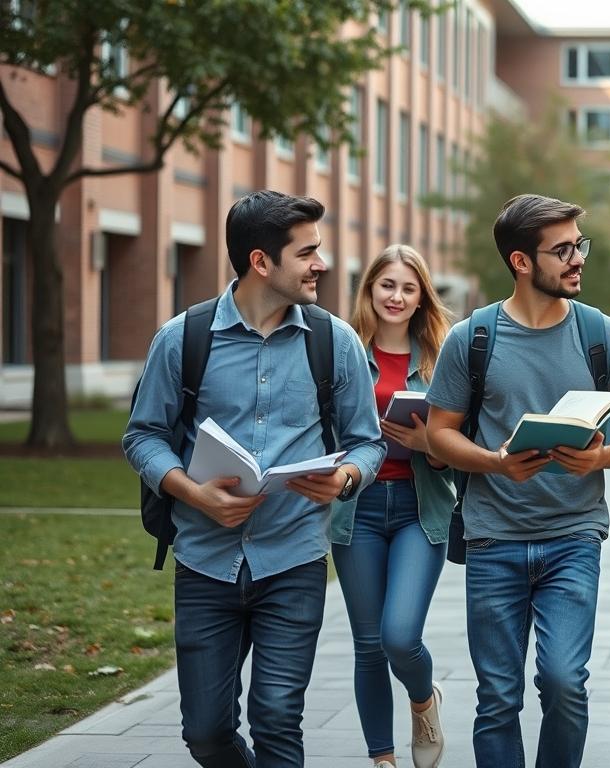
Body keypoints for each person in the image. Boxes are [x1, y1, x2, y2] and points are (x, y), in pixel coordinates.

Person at [123, 191, 385, 767]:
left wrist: (344, 477)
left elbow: (369, 442)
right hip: (205, 563)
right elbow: (141, 436)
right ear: (261, 262)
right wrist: (192, 493)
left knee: (276, 720)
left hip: (293, 560)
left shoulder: (333, 341)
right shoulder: (183, 338)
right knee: (207, 733)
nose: (321, 263)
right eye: (307, 253)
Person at [423, 194, 610, 768]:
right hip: (492, 538)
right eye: (563, 250)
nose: (578, 259)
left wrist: (600, 459)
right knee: (498, 697)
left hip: (573, 537)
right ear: (522, 262)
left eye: (580, 245)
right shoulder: (472, 338)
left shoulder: (603, 336)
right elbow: (438, 434)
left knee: (563, 684)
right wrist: (496, 461)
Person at [331, 245, 456, 768]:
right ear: (370, 289)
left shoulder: (441, 357)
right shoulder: (342, 349)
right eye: (387, 285)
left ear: (422, 296)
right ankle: (382, 758)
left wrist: (430, 441)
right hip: (355, 508)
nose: (397, 297)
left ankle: (424, 699)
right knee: (366, 645)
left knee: (399, 636)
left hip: (418, 507)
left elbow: (459, 449)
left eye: (408, 288)